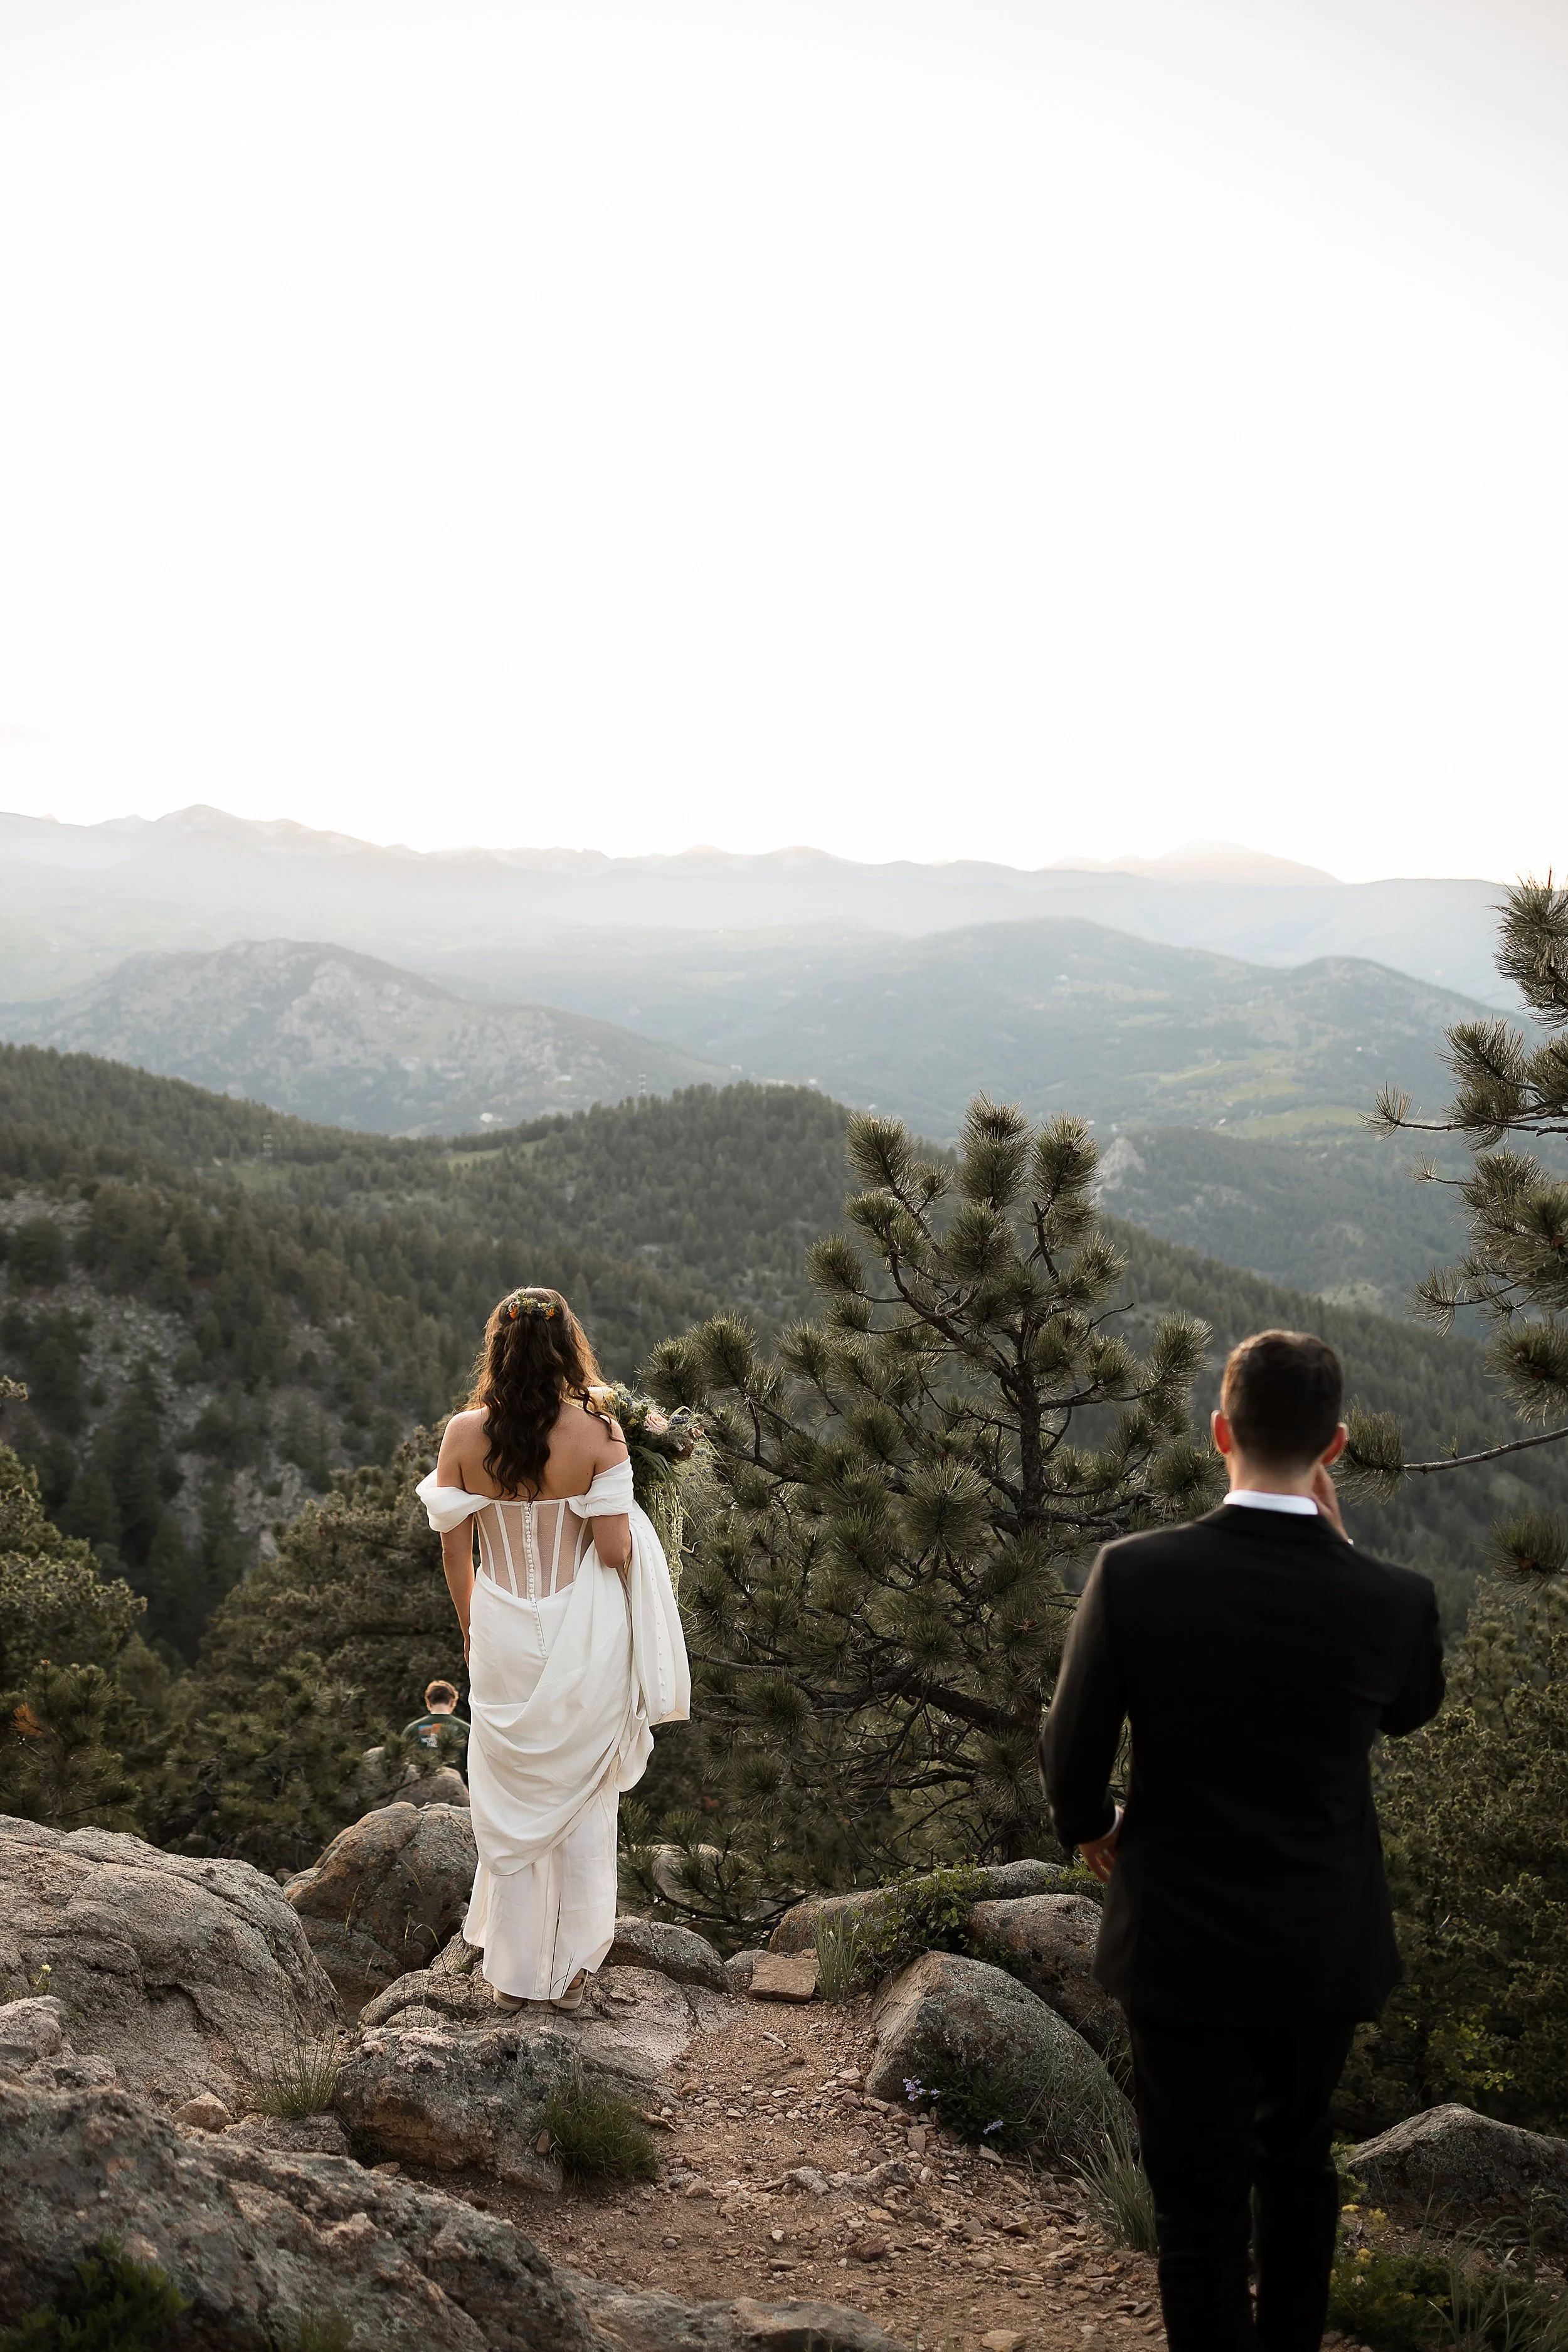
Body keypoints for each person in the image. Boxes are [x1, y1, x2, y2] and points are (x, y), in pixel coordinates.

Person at [1038, 1328, 1444, 2352]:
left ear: (1219, 1432)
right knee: (1299, 2158)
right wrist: (1342, 1553)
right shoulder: (1393, 1601)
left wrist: (1097, 1830)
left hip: (1177, 1932)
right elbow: (1408, 1710)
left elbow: (1070, 1748)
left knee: (1197, 2199)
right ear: (1335, 1449)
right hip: (1322, 1937)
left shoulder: (1134, 1575)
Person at [416, 1286, 689, 2013]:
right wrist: (631, 1506)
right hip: (584, 1632)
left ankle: (510, 1972)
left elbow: (454, 1551)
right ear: (570, 1348)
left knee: (510, 1794)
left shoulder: (462, 1435)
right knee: (580, 1797)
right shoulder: (599, 1435)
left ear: (497, 1351)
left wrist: (473, 1625)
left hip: (502, 1624)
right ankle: (566, 1971)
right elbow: (610, 1549)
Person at [402, 1678, 470, 1766]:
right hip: (455, 1778)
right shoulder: (466, 1729)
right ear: (452, 1701)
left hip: (420, 1778)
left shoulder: (412, 1729)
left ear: (429, 1701)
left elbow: (402, 1762)